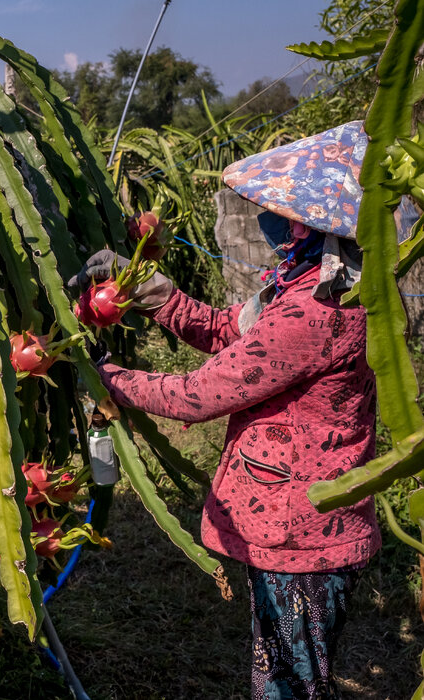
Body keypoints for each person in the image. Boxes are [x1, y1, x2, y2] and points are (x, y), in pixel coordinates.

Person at [75, 121, 384, 699]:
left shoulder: (318, 312)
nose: (278, 222)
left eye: (290, 213)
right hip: (303, 523)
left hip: (302, 534)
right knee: (288, 672)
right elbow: (230, 332)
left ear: (318, 222)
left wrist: (105, 375)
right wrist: (147, 290)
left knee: (289, 686)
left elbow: (199, 396)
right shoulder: (308, 287)